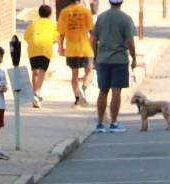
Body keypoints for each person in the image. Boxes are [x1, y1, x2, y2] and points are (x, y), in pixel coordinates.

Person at [91, 0, 137, 133]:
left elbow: (94, 39)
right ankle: (113, 122)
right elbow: (130, 40)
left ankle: (100, 123)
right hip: (119, 59)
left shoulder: (101, 18)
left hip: (103, 59)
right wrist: (134, 58)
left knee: (103, 90)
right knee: (116, 89)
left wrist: (95, 56)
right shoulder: (126, 18)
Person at [57, 0, 94, 109]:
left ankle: (77, 99)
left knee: (74, 75)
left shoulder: (64, 12)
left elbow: (61, 33)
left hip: (71, 48)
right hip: (84, 47)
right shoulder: (85, 11)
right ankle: (83, 88)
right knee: (89, 72)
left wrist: (61, 47)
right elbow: (92, 32)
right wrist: (92, 45)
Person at [23, 4, 58, 108]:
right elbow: (55, 39)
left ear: (39, 13)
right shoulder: (52, 24)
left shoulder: (33, 24)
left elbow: (26, 37)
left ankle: (35, 94)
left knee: (35, 72)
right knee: (42, 72)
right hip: (45, 48)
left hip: (33, 48)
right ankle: (37, 93)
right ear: (50, 14)